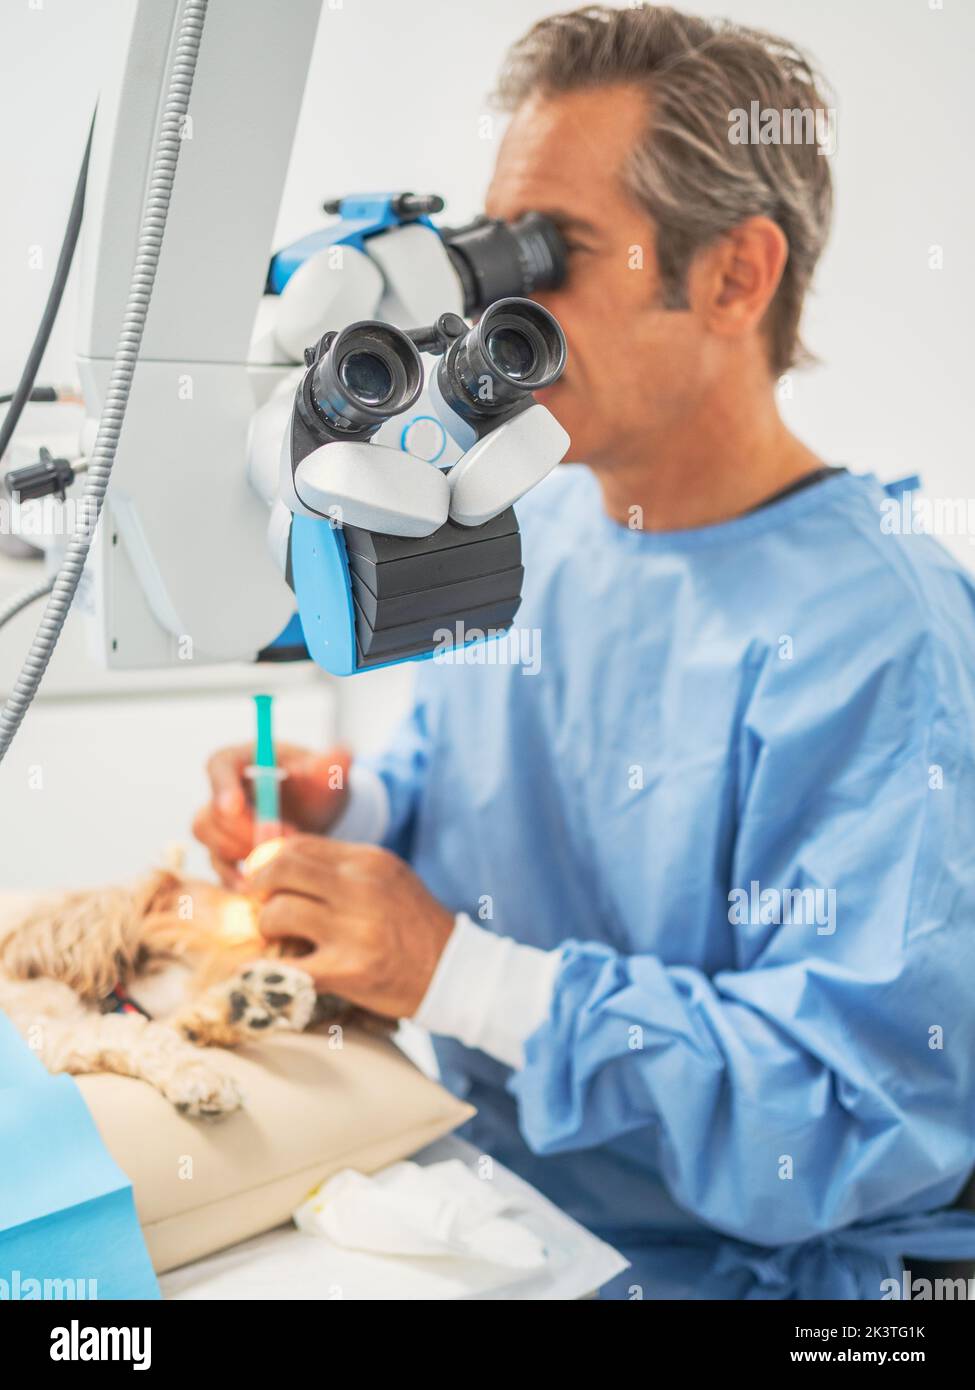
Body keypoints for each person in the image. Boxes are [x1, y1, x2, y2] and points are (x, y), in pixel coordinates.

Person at [194, 5, 975, 1298]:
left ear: (735, 275)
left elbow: (856, 1107)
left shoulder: (888, 641)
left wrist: (465, 974)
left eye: (550, 253)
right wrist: (360, 808)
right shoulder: (537, 521)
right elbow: (473, 786)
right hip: (509, 1208)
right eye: (487, 255)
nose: (491, 306)